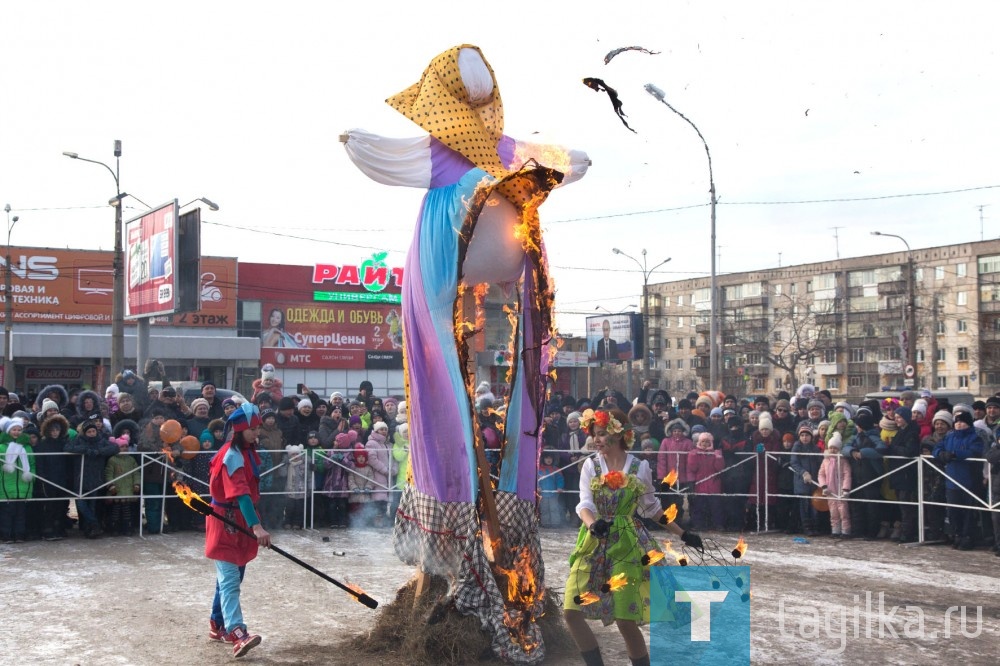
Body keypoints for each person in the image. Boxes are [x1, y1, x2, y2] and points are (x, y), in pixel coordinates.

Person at [563, 408, 702, 666]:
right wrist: (593, 525)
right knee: (571, 610)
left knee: (625, 619)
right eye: (594, 435)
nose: (597, 440)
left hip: (627, 543)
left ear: (618, 433)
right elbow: (584, 504)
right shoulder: (590, 465)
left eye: (602, 434)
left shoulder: (640, 467)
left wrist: (683, 534)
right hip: (593, 541)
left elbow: (651, 509)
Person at [205, 403, 270, 658]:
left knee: (231, 576)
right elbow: (241, 494)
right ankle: (237, 632)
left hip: (239, 520)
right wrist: (257, 526)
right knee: (230, 580)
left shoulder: (246, 452)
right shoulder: (232, 455)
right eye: (252, 429)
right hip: (226, 522)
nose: (257, 434)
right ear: (240, 430)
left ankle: (216, 624)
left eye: (258, 429)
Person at [932, 410, 984, 550]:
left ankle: (968, 537)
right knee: (953, 512)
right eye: (957, 422)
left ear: (968, 423)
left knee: (968, 512)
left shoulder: (975, 437)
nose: (959, 424)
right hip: (951, 480)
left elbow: (974, 452)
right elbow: (936, 448)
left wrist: (955, 454)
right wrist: (941, 454)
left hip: (968, 480)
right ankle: (957, 535)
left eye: (962, 422)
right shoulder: (949, 437)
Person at [0, 418, 35, 543]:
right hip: (5, 487)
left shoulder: (27, 448)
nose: (16, 432)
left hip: (23, 485)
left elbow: (32, 464)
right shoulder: (2, 448)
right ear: (8, 431)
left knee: (21, 513)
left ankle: (19, 534)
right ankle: (6, 534)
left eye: (19, 430)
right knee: (6, 514)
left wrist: (32, 476)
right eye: (14, 430)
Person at [818, 433, 852, 538]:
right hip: (830, 491)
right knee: (833, 512)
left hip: (841, 490)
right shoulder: (825, 461)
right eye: (831, 447)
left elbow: (847, 474)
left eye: (835, 448)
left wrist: (846, 488)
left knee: (843, 512)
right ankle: (835, 530)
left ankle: (846, 530)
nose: (833, 450)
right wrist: (823, 486)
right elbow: (821, 474)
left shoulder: (843, 460)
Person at [538, 451, 565, 527]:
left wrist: (560, 487)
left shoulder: (556, 469)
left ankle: (555, 524)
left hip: (554, 494)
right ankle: (545, 524)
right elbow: (535, 479)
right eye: (547, 458)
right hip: (543, 494)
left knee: (554, 508)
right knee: (544, 509)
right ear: (543, 459)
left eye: (550, 458)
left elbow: (560, 479)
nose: (548, 460)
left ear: (553, 459)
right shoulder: (539, 469)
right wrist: (537, 487)